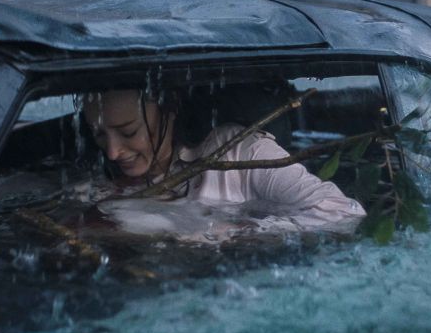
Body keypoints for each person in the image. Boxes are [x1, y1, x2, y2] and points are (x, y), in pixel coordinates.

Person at [81, 88, 366, 230]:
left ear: (169, 108)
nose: (112, 152)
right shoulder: (96, 185)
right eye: (100, 135)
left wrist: (233, 234)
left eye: (129, 132)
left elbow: (342, 212)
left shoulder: (238, 150)